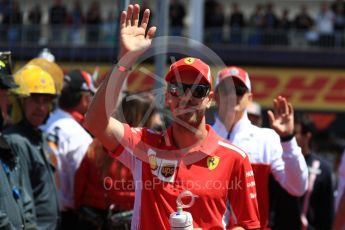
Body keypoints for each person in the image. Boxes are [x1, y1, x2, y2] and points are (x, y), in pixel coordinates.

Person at [85, 4, 260, 229]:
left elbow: (250, 225)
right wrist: (125, 61)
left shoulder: (234, 158)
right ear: (168, 96)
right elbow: (95, 122)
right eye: (178, 89)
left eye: (197, 90)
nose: (186, 98)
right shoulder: (144, 145)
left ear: (209, 99)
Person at [212, 66, 308, 229]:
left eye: (239, 90)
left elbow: (297, 187)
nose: (232, 95)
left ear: (249, 98)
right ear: (214, 97)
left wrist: (288, 139)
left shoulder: (266, 138)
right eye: (226, 90)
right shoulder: (202, 137)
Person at [74, 92, 163, 230]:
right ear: (146, 117)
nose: (159, 121)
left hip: (92, 218)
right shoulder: (147, 152)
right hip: (126, 219)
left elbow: (79, 184)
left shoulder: (97, 144)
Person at [3, 64, 60, 230]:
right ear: (19, 102)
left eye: (46, 100)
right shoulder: (15, 141)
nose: (41, 107)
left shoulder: (38, 137)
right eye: (34, 99)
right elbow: (23, 198)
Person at [40, 69, 94, 229]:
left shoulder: (42, 124)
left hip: (37, 209)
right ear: (84, 98)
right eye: (91, 96)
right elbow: (82, 186)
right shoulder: (79, 136)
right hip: (66, 218)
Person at [269, 114, 334, 230]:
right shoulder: (277, 161)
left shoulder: (323, 169)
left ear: (307, 136)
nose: (287, 135)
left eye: (294, 133)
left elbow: (327, 213)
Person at [0, 55, 37, 230]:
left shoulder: (4, 143)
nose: (8, 102)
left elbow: (23, 197)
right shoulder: (12, 139)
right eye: (5, 95)